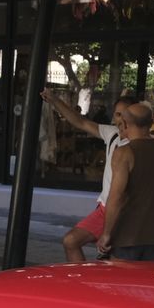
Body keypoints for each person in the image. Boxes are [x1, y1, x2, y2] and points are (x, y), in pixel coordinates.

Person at [42, 90, 132, 263]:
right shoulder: (112, 133)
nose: (120, 119)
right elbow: (80, 122)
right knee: (71, 241)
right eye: (117, 114)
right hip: (105, 209)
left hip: (124, 212)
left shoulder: (139, 144)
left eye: (124, 114)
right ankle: (81, 283)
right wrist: (55, 101)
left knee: (115, 263)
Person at [99, 102, 154, 262]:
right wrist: (150, 200)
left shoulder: (124, 153)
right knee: (146, 285)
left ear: (124, 124)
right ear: (151, 123)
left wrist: (106, 234)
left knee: (121, 285)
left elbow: (115, 197)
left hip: (126, 235)